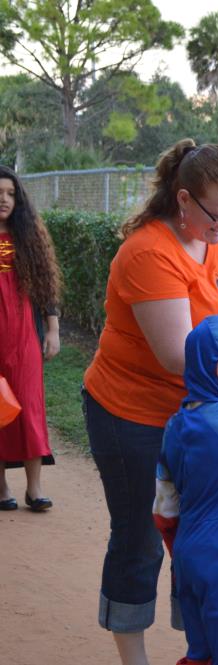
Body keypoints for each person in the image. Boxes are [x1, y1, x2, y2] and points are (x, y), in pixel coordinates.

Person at [82, 139, 218, 665]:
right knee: (141, 537)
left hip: (201, 416)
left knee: (204, 537)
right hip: (132, 413)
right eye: (217, 216)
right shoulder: (149, 253)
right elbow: (179, 357)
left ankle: (199, 650)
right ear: (183, 199)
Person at [153, 315, 218, 665]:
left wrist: (177, 544)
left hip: (187, 552)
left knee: (200, 651)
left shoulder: (174, 424)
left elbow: (164, 506)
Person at [0, 165, 61, 513]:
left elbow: (45, 288)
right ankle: (2, 488)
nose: (4, 201)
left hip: (24, 333)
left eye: (10, 194)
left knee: (29, 406)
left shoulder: (29, 238)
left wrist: (52, 330)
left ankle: (34, 489)